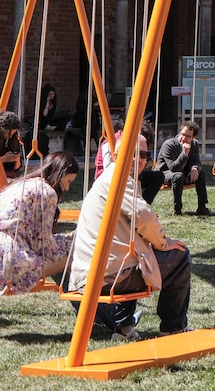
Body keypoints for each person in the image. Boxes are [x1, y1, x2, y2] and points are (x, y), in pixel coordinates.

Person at [67, 134, 190, 337]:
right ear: (116, 156)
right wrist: (163, 242)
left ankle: (123, 327)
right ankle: (173, 327)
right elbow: (143, 216)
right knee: (180, 256)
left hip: (89, 274)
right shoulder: (119, 178)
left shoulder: (107, 179)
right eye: (132, 154)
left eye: (143, 154)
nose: (139, 159)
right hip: (109, 277)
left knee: (134, 251)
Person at [0, 151, 78, 301]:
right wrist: (67, 245)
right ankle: (80, 300)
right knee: (71, 259)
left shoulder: (21, 184)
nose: (67, 188)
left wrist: (64, 240)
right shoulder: (47, 192)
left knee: (64, 245)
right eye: (68, 181)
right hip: (7, 263)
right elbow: (43, 243)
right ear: (60, 174)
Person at [156, 122, 212, 216]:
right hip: (165, 173)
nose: (184, 138)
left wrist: (195, 169)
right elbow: (173, 168)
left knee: (200, 173)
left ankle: (202, 208)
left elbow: (196, 161)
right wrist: (184, 154)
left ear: (193, 137)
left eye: (188, 136)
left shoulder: (194, 144)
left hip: (182, 172)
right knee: (178, 176)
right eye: (182, 134)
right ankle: (177, 209)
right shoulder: (168, 145)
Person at [37, 83, 71, 149]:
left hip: (51, 119)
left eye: (53, 94)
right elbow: (44, 114)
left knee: (67, 116)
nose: (52, 96)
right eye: (50, 94)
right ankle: (49, 126)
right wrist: (47, 103)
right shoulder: (42, 102)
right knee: (45, 118)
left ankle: (56, 127)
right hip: (43, 121)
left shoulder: (53, 102)